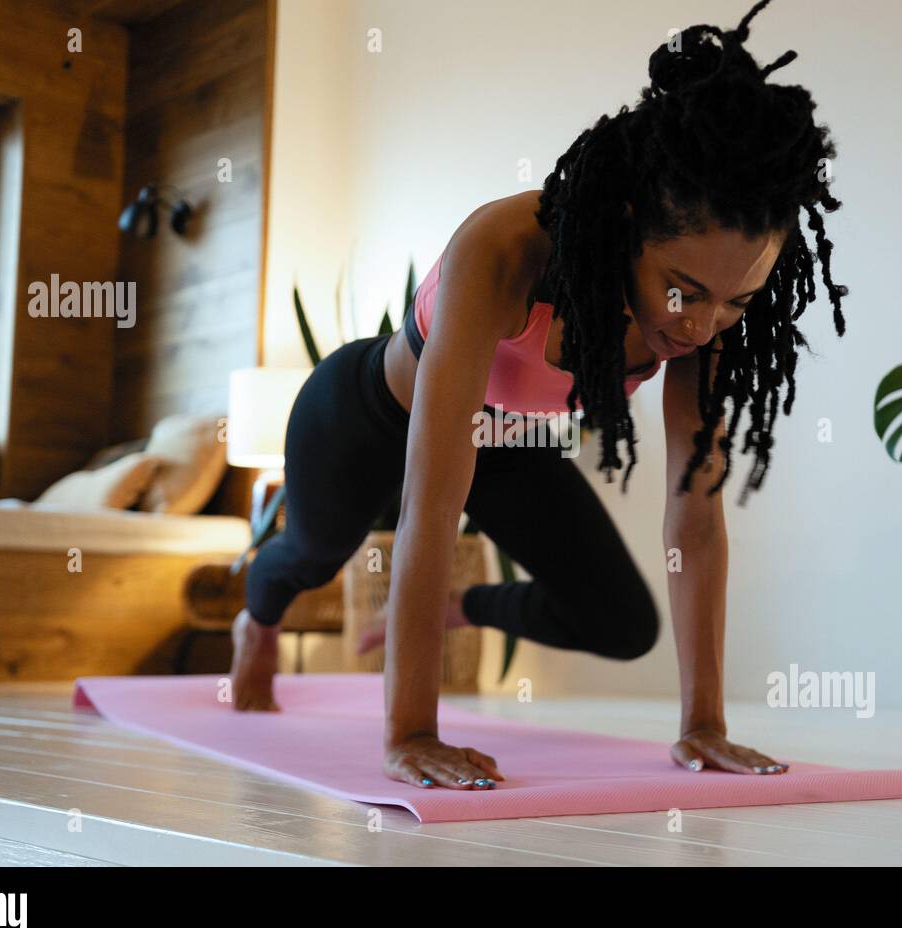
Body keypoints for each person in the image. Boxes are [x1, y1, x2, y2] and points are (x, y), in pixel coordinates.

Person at [233, 0, 848, 791]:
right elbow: (429, 502)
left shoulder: (709, 316)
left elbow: (694, 515)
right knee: (308, 556)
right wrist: (412, 732)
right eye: (683, 291)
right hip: (369, 418)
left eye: (734, 303)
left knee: (622, 624)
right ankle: (258, 613)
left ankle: (470, 605)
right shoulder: (504, 249)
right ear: (629, 224)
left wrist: (704, 727)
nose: (701, 327)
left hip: (510, 446)